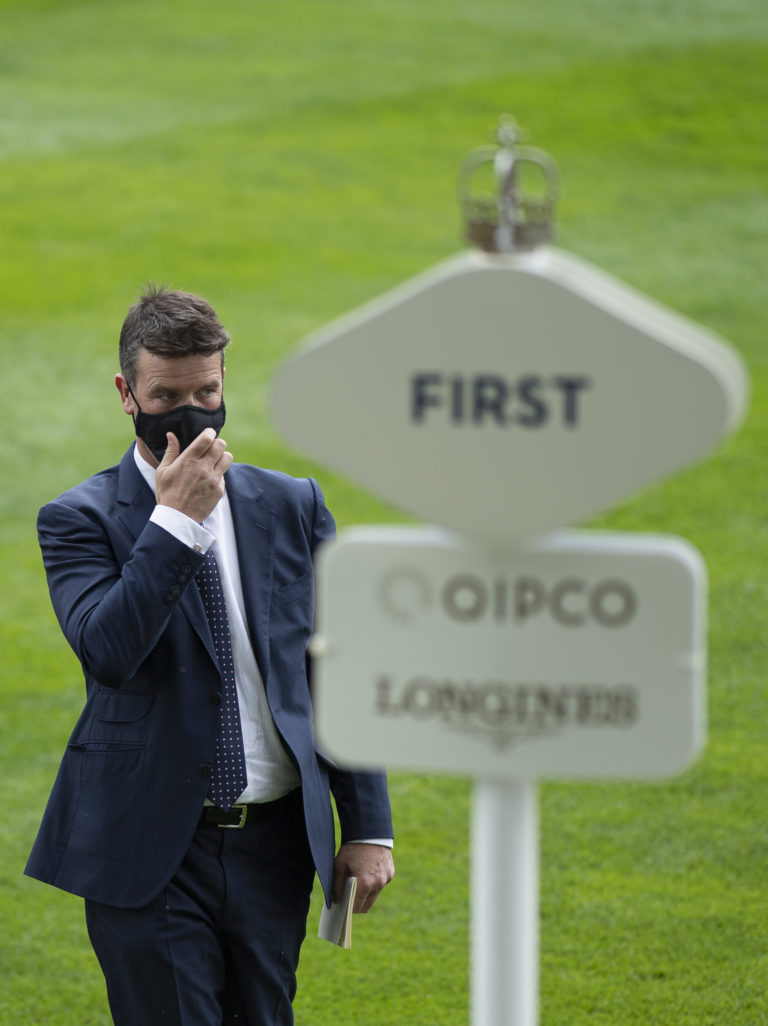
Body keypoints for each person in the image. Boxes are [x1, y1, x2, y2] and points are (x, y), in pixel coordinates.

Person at [25, 284, 395, 1026]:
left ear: (226, 381)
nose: (191, 412)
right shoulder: (79, 519)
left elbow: (339, 666)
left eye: (208, 391)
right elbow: (108, 651)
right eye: (168, 395)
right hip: (150, 846)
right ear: (128, 394)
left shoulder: (292, 504)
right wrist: (174, 524)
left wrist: (366, 825)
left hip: (275, 845)